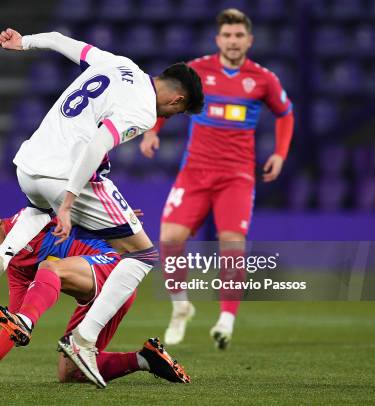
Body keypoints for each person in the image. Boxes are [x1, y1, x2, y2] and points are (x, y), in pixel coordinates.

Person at [0, 28, 204, 387]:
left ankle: (1, 257)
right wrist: (69, 202)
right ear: (178, 101)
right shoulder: (142, 109)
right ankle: (83, 341)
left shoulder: (119, 63)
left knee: (41, 211)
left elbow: (63, 41)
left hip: (27, 167)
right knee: (142, 257)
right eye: (179, 110)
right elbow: (97, 144)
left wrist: (24, 42)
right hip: (65, 175)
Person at [139, 9, 295, 349]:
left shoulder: (263, 79)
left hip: (236, 177)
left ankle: (226, 320)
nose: (233, 41)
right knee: (169, 238)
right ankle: (181, 306)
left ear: (249, 40)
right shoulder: (197, 71)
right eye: (227, 35)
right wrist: (153, 131)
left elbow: (285, 113)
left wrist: (280, 153)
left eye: (239, 36)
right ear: (218, 39)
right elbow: (168, 97)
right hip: (194, 172)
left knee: (232, 245)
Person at [0, 203, 190, 384]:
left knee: (49, 267)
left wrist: (116, 219)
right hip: (96, 299)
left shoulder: (29, 220)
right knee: (70, 371)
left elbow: (74, 205)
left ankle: (28, 322)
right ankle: (146, 359)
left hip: (112, 271)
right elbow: (10, 324)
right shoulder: (14, 265)